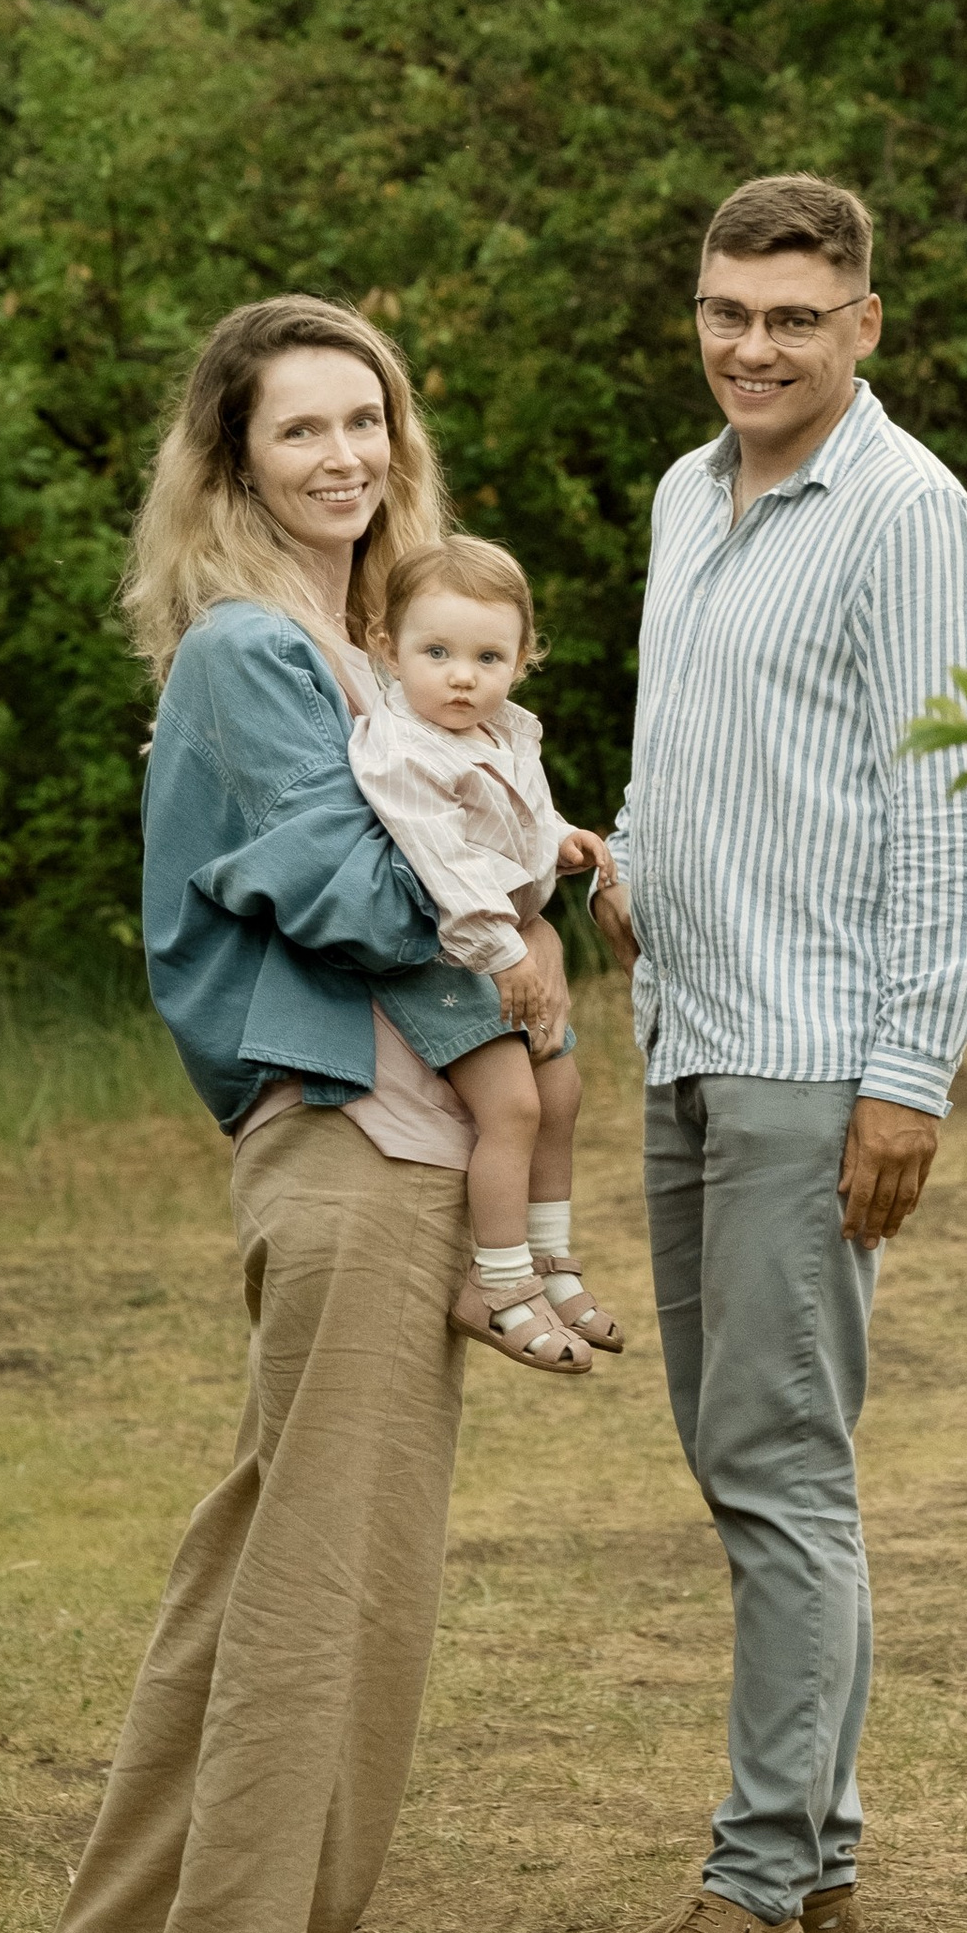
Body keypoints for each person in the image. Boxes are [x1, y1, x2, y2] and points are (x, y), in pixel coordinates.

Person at [43, 294, 575, 1933]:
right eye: (300, 430)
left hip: (358, 1131)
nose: (343, 456)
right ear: (232, 461)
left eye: (368, 422)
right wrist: (511, 992)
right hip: (360, 1137)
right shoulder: (256, 653)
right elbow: (342, 890)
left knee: (265, 1533)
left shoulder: (372, 655)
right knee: (334, 1577)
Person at [578, 173, 967, 1933]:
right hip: (689, 1028)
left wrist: (905, 1079)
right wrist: (615, 874)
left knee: (780, 1470)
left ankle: (755, 1894)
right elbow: (719, 762)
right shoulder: (691, 493)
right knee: (755, 1459)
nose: (752, 346)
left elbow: (954, 812)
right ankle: (817, 1861)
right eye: (725, 312)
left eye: (792, 318)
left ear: (865, 327)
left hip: (814, 1059)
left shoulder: (914, 520)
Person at [351, 531, 626, 1370]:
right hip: (448, 955)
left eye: (487, 656)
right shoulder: (398, 748)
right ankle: (500, 1281)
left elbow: (518, 823)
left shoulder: (504, 731)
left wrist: (559, 842)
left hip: (505, 948)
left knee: (563, 1090)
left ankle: (549, 1257)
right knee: (510, 1108)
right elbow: (445, 861)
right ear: (386, 648)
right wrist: (508, 949)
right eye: (436, 653)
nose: (462, 675)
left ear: (523, 658)